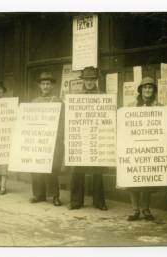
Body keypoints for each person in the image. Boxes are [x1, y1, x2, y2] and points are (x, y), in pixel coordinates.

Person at [68, 67, 108, 211]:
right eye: (87, 79)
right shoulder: (76, 96)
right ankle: (76, 201)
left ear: (96, 80)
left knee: (97, 170)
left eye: (92, 79)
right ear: (83, 80)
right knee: (77, 169)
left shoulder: (103, 96)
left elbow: (107, 116)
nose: (90, 82)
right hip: (80, 134)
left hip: (96, 134)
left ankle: (99, 202)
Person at [126, 77, 161, 221]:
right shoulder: (131, 106)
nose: (147, 90)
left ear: (154, 90)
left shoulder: (159, 107)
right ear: (140, 90)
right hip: (135, 146)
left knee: (147, 179)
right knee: (133, 179)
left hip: (150, 146)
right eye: (145, 87)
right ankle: (135, 209)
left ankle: (146, 209)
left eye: (150, 87)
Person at [28, 71, 63, 206]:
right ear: (39, 86)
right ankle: (38, 194)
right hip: (37, 139)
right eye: (43, 84)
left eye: (48, 84)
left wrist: (58, 137)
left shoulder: (58, 101)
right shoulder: (34, 102)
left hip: (53, 140)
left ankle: (54, 195)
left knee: (52, 168)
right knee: (36, 167)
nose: (46, 86)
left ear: (52, 86)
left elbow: (62, 121)